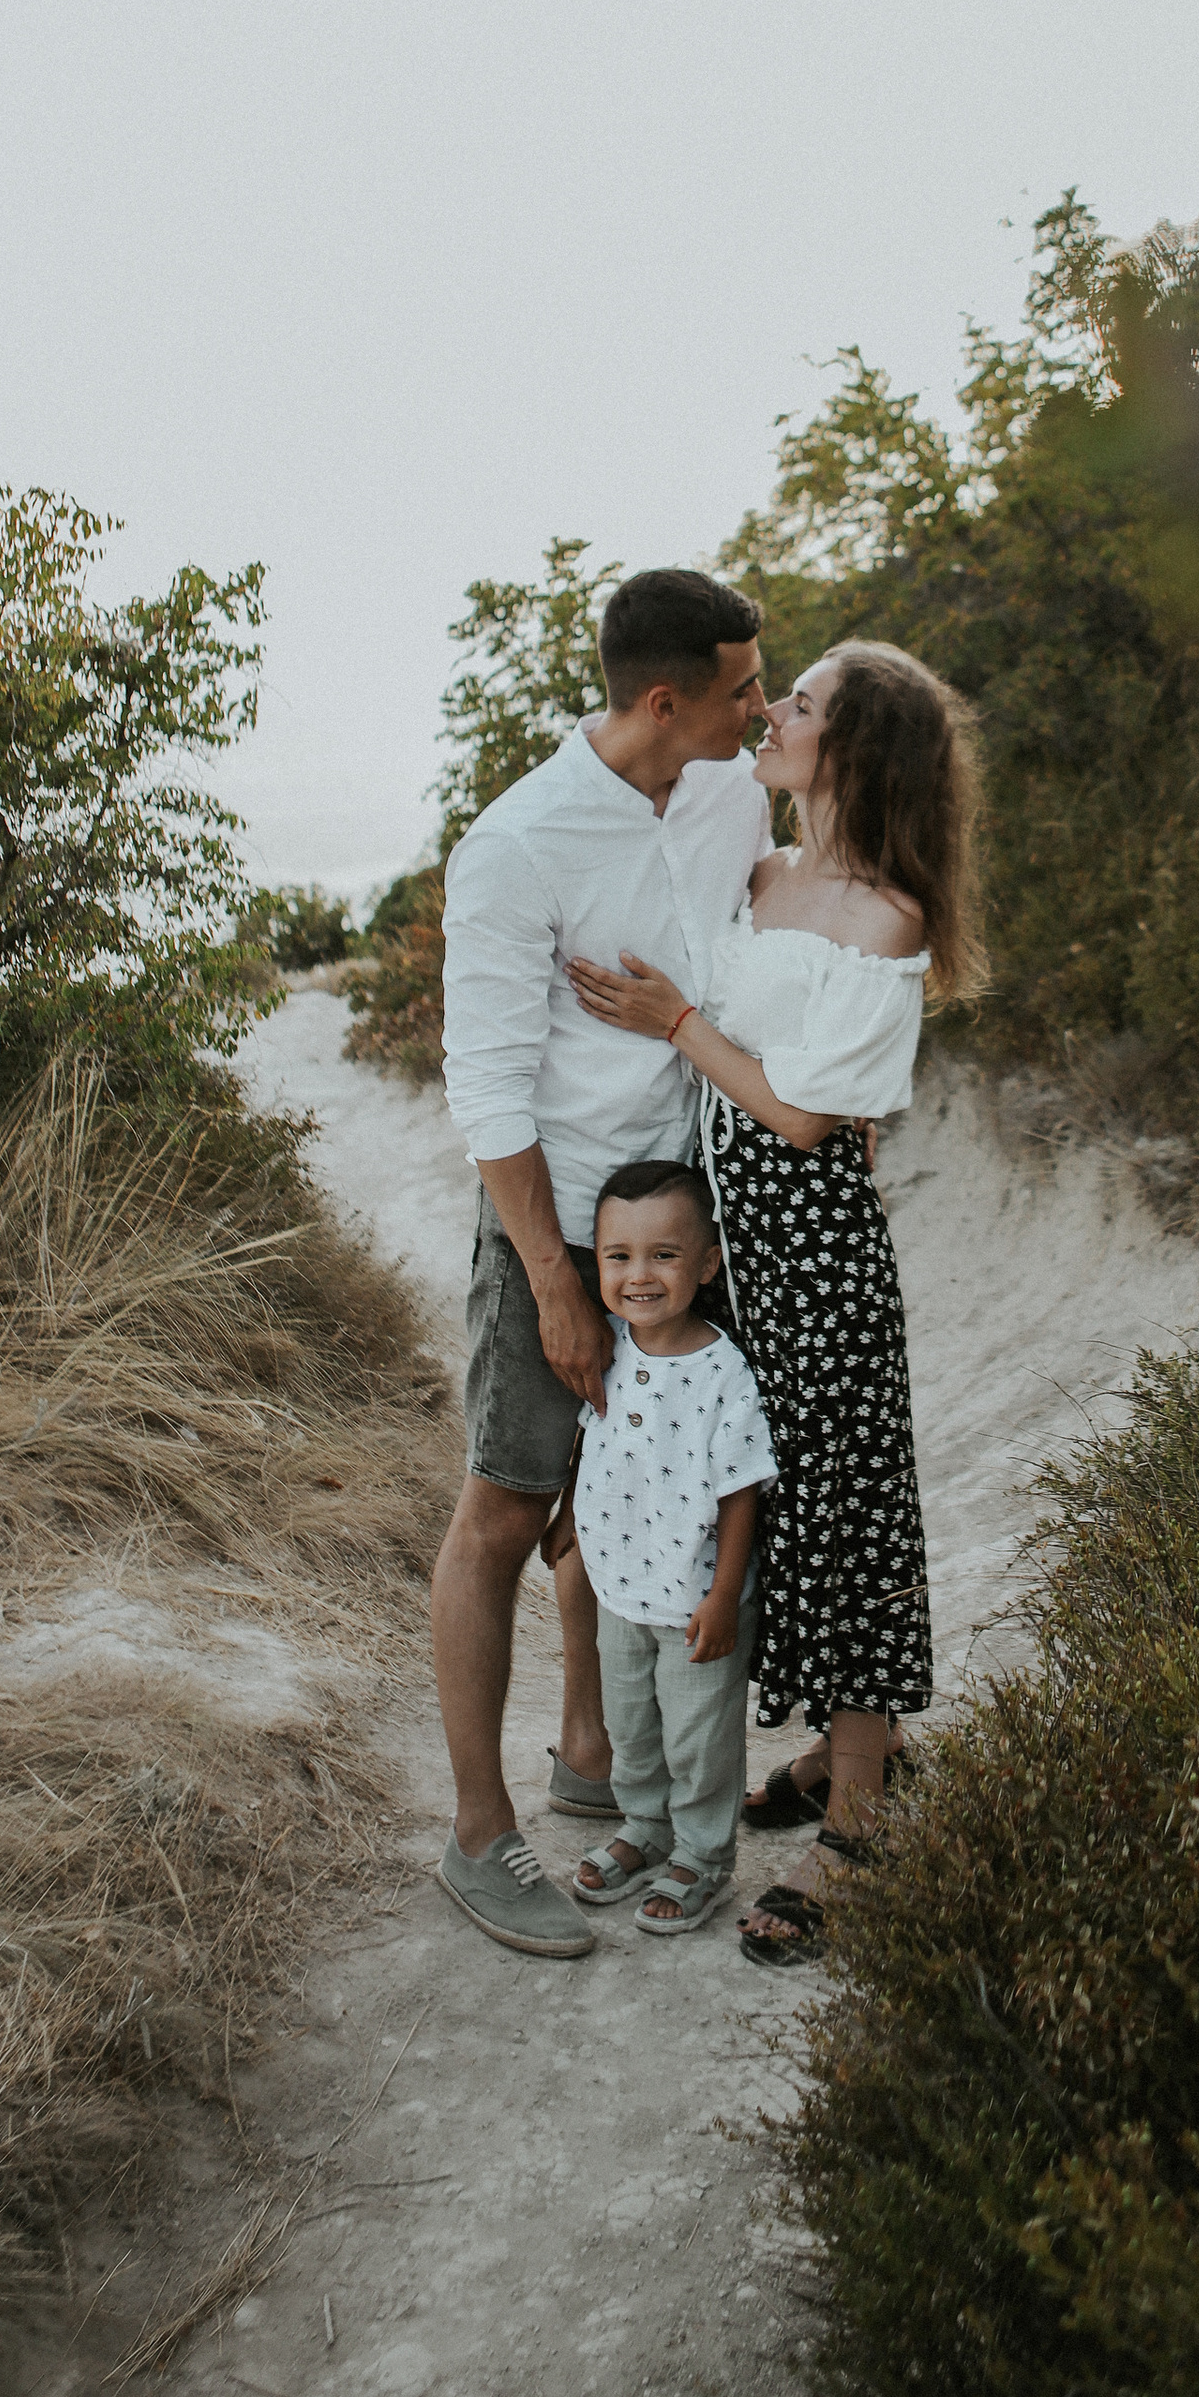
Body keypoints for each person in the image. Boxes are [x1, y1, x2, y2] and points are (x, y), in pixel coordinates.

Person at [566, 639, 983, 1966]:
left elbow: (807, 1116)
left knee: (849, 1514)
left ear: (851, 751)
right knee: (778, 1505)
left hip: (819, 1261)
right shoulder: (763, 873)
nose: (776, 715)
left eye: (799, 705)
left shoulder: (887, 916)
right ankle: (854, 1750)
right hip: (735, 1258)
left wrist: (679, 1021)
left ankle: (851, 1838)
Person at [432, 566, 769, 1959]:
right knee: (508, 1513)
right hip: (554, 1223)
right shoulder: (516, 846)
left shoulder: (730, 789)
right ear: (664, 699)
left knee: (644, 1492)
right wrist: (557, 1285)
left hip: (685, 1216)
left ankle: (594, 1752)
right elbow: (490, 1095)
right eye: (744, 686)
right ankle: (476, 1835)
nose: (762, 707)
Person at [559, 1159, 779, 1935]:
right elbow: (594, 1449)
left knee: (699, 1738)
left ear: (708, 1262)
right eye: (619, 1257)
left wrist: (725, 1594)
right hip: (621, 1587)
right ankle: (644, 1827)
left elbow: (741, 1487)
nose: (640, 1275)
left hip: (695, 1598)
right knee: (634, 1726)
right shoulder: (610, 1347)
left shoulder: (724, 1371)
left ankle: (702, 1856)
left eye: (665, 1255)